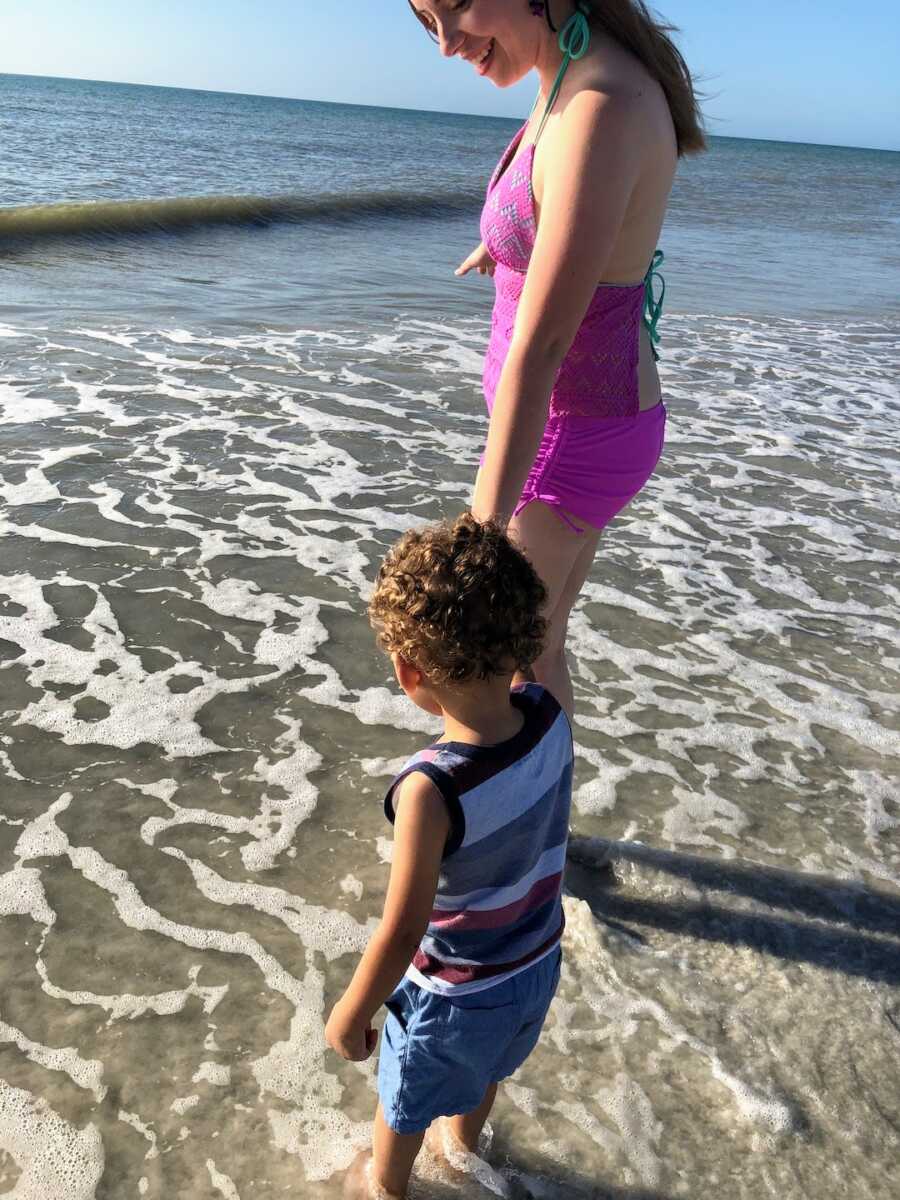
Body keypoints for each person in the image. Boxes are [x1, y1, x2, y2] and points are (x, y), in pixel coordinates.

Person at [407, 0, 706, 719]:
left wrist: (475, 543)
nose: (448, 43)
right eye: (426, 21)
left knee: (472, 659)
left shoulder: (603, 104)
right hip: (586, 420)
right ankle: (539, 824)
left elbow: (544, 349)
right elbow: (560, 206)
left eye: (455, 7)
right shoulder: (565, 68)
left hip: (573, 433)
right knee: (534, 650)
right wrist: (505, 241)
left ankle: (485, 822)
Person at [325, 513, 574, 1199]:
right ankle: (464, 1152)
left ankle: (388, 1186)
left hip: (455, 996)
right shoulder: (550, 714)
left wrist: (352, 1013)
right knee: (486, 1073)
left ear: (410, 673)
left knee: (401, 1108)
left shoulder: (430, 789)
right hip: (533, 966)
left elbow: (404, 929)